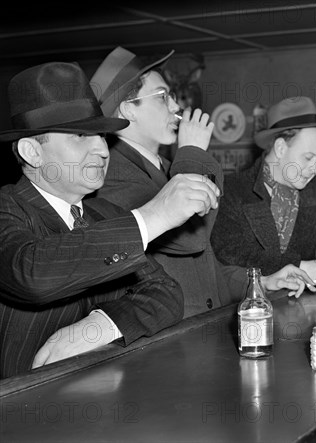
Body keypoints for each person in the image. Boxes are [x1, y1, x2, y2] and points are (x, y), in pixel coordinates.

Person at [0, 62, 216, 378]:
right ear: (32, 152)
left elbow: (166, 293)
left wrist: (102, 324)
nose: (102, 149)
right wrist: (153, 216)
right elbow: (32, 272)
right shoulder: (8, 209)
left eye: (100, 134)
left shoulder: (104, 214)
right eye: (79, 136)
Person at [90, 47, 314, 318]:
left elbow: (203, 263)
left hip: (199, 329)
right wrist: (193, 153)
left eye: (171, 96)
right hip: (165, 341)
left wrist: (260, 282)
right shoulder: (112, 173)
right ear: (128, 110)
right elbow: (190, 241)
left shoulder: (169, 167)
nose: (176, 107)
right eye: (162, 97)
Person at [211, 96, 316, 289]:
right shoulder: (232, 190)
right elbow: (231, 253)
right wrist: (302, 267)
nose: (314, 169)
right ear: (280, 148)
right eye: (308, 158)